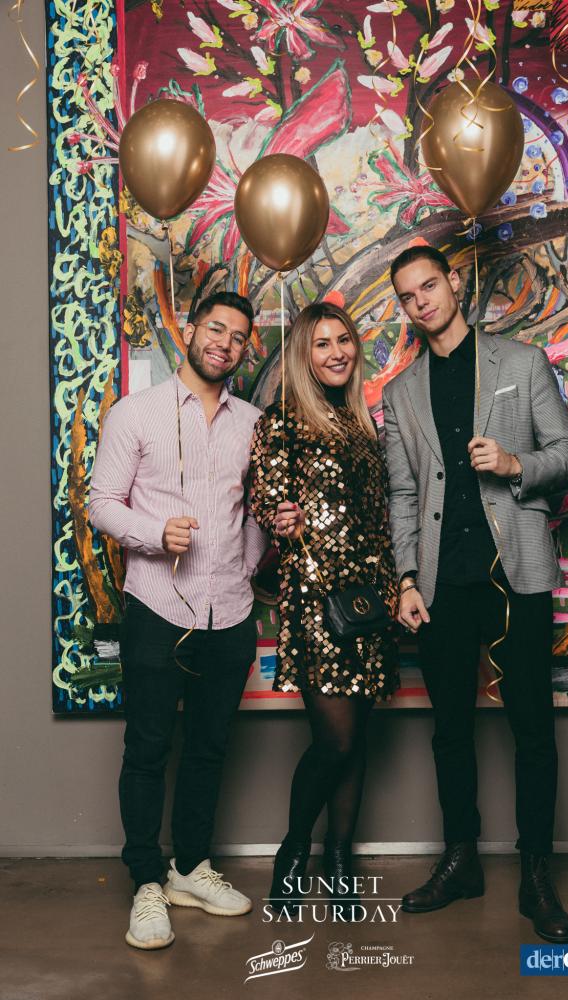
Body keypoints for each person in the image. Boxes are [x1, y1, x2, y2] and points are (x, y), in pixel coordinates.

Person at [383, 245, 568, 943]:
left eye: (429, 286)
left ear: (453, 282)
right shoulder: (400, 393)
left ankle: (536, 873)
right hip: (442, 582)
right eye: (408, 296)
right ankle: (460, 860)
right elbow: (402, 494)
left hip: (516, 572)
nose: (421, 302)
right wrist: (406, 578)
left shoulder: (520, 363)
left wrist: (513, 462)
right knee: (449, 730)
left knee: (532, 727)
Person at [89, 291, 267, 950]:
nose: (225, 343)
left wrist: (249, 561)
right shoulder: (135, 413)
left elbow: (254, 510)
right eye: (215, 328)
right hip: (158, 608)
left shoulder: (253, 423)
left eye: (238, 336)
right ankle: (146, 881)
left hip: (231, 611)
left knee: (209, 749)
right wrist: (155, 531)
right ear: (189, 331)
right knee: (147, 749)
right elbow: (101, 502)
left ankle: (190, 868)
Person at [250, 302, 399, 917]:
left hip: (369, 600)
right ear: (303, 356)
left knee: (356, 738)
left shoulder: (363, 425)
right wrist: (280, 518)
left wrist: (396, 589)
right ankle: (293, 851)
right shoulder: (282, 421)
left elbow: (381, 519)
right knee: (334, 740)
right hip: (316, 599)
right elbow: (264, 500)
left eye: (344, 340)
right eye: (321, 343)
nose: (336, 352)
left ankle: (339, 861)